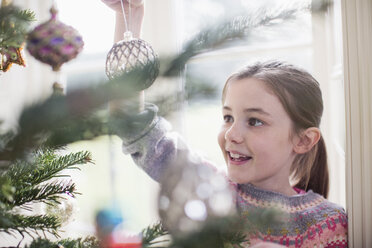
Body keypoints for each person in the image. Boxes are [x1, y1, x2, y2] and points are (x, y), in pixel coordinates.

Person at [102, 1, 348, 247]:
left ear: (303, 140)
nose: (232, 134)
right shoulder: (207, 189)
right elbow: (133, 127)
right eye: (228, 117)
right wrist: (130, 17)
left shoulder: (328, 223)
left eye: (254, 121)